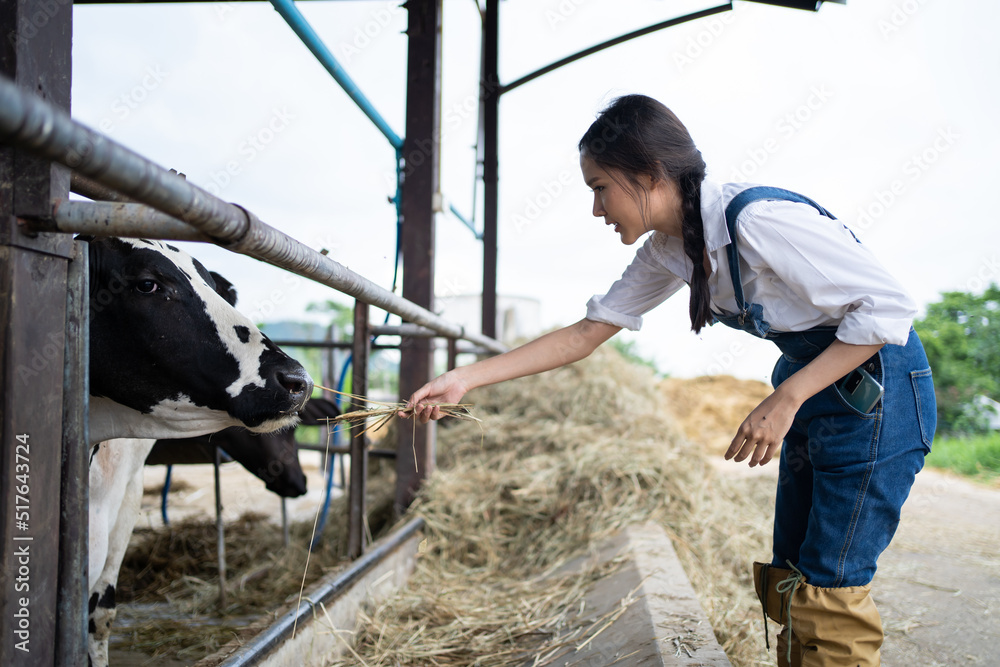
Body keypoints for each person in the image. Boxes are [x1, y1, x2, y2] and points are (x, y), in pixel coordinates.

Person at [400, 94, 936, 667]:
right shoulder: (668, 250)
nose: (597, 207)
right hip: (817, 394)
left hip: (876, 396)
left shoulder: (757, 220)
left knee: (833, 581)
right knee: (795, 570)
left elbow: (885, 310)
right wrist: (464, 378)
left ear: (648, 175)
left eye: (600, 187)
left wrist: (788, 396)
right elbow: (585, 334)